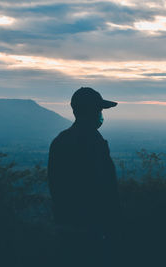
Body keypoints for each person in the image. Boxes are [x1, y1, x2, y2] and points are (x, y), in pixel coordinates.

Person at [47, 87, 121, 266]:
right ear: (91, 111)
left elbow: (55, 185)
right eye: (99, 110)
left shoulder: (61, 141)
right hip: (92, 230)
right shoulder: (93, 142)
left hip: (65, 227)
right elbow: (104, 187)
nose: (101, 115)